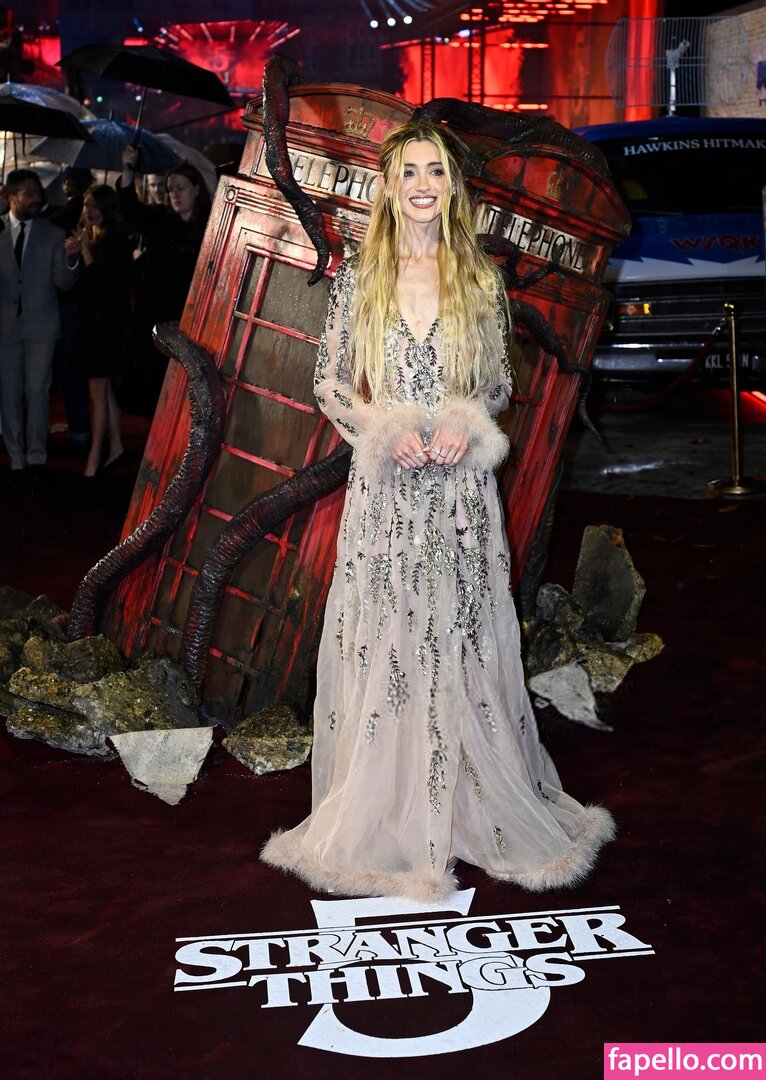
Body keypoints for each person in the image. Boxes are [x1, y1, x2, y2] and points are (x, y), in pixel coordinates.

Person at [262, 120, 615, 902]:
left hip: (459, 497)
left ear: (453, 187)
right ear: (389, 187)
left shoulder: (479, 277)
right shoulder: (359, 277)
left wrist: (466, 423)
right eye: (410, 172)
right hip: (387, 494)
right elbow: (329, 383)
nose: (423, 185)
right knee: (389, 636)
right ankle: (390, 808)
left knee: (459, 634)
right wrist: (384, 432)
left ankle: (468, 804)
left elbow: (496, 384)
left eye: (436, 172)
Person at [116, 147, 211, 417]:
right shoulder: (161, 220)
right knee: (150, 386)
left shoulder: (209, 225)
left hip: (188, 316)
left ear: (196, 189)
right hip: (155, 314)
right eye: (170, 189)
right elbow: (130, 208)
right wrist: (128, 169)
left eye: (181, 188)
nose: (175, 194)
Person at [0, 168, 79, 482]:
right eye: (29, 194)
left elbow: (64, 282)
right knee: (8, 393)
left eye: (38, 193)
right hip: (5, 326)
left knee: (37, 391)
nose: (36, 199)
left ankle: (36, 456)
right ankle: (15, 457)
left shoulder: (53, 233)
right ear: (12, 197)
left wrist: (71, 259)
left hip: (42, 324)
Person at [66, 184, 132, 477]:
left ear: (107, 208)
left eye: (93, 205)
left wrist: (85, 253)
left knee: (98, 389)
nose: (88, 211)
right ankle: (116, 448)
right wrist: (73, 255)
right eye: (85, 205)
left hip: (107, 325)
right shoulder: (89, 236)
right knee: (104, 391)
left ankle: (93, 458)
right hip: (90, 322)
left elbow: (104, 286)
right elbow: (76, 285)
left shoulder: (117, 240)